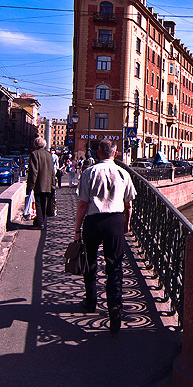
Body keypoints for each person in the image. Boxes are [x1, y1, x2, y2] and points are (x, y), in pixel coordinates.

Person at [73, 139, 136, 334]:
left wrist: (76, 230)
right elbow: (129, 205)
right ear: (115, 154)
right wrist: (126, 224)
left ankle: (90, 301)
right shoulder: (123, 173)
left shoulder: (88, 172)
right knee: (114, 266)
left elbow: (83, 204)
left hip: (93, 222)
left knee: (90, 263)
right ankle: (114, 306)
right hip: (115, 222)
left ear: (98, 153)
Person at [26, 137, 56, 230]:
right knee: (43, 204)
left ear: (35, 145)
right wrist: (53, 185)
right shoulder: (48, 155)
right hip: (48, 184)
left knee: (37, 204)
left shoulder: (34, 154)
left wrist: (30, 186)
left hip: (38, 184)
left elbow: (33, 172)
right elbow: (52, 171)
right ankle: (40, 221)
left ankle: (39, 223)